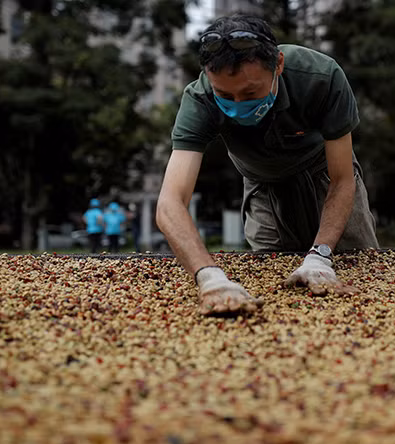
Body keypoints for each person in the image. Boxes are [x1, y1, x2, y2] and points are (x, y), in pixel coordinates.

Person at [156, 14, 378, 316]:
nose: (237, 105)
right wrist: (209, 277)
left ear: (279, 65)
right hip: (261, 184)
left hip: (323, 173)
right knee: (271, 276)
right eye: (225, 95)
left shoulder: (321, 78)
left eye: (250, 93)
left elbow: (342, 178)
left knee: (357, 267)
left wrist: (320, 256)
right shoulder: (199, 100)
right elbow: (170, 202)